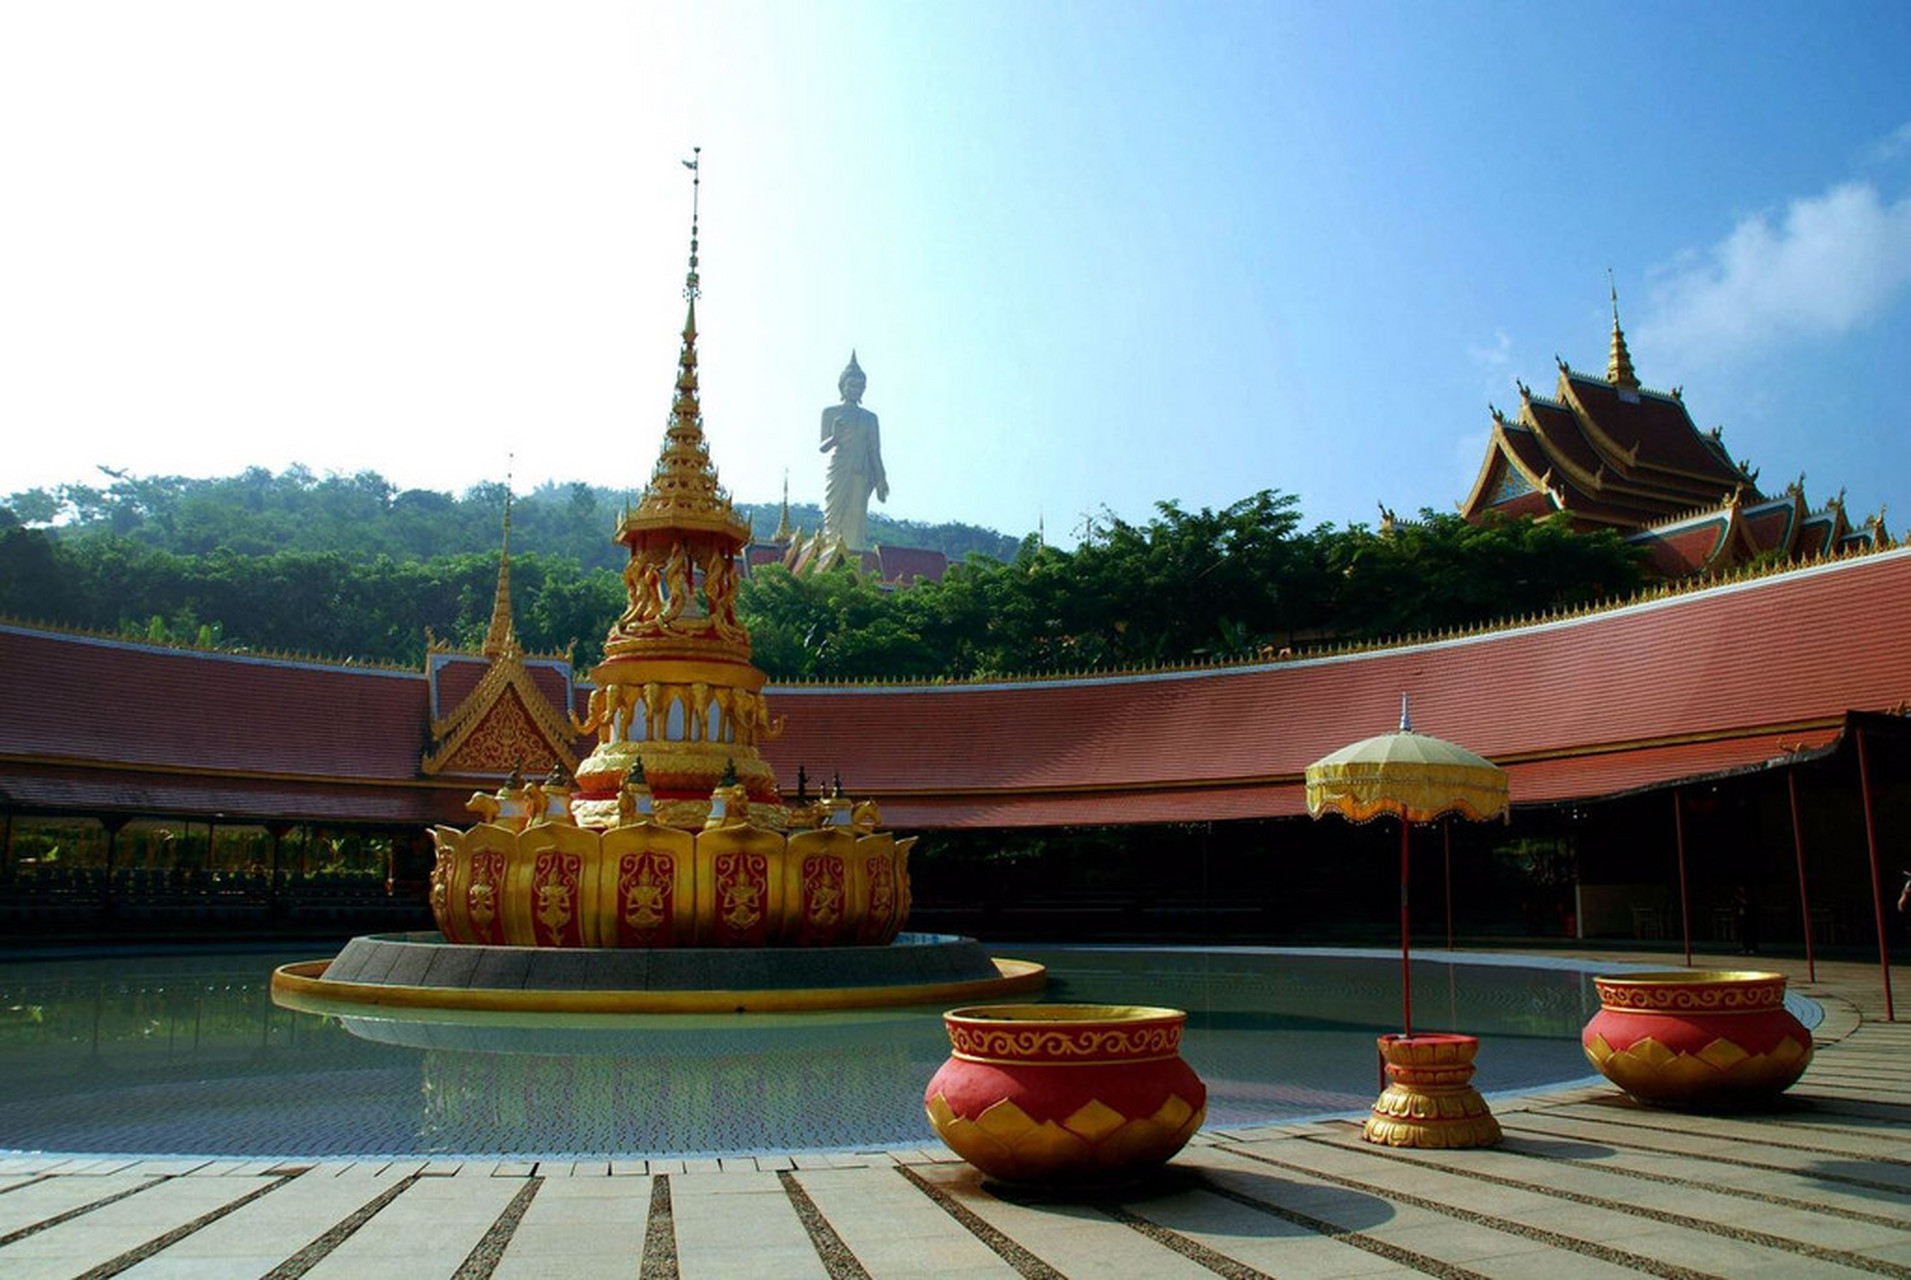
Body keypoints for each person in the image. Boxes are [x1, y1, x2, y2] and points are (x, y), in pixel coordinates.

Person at [819, 352, 888, 550]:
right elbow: (823, 447)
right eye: (851, 385)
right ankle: (831, 553)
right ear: (842, 385)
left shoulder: (870, 418)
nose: (855, 389)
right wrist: (834, 438)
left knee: (856, 521)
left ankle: (852, 557)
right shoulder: (830, 412)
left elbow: (874, 451)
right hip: (839, 468)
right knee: (833, 518)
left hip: (860, 472)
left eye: (859, 386)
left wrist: (881, 478)